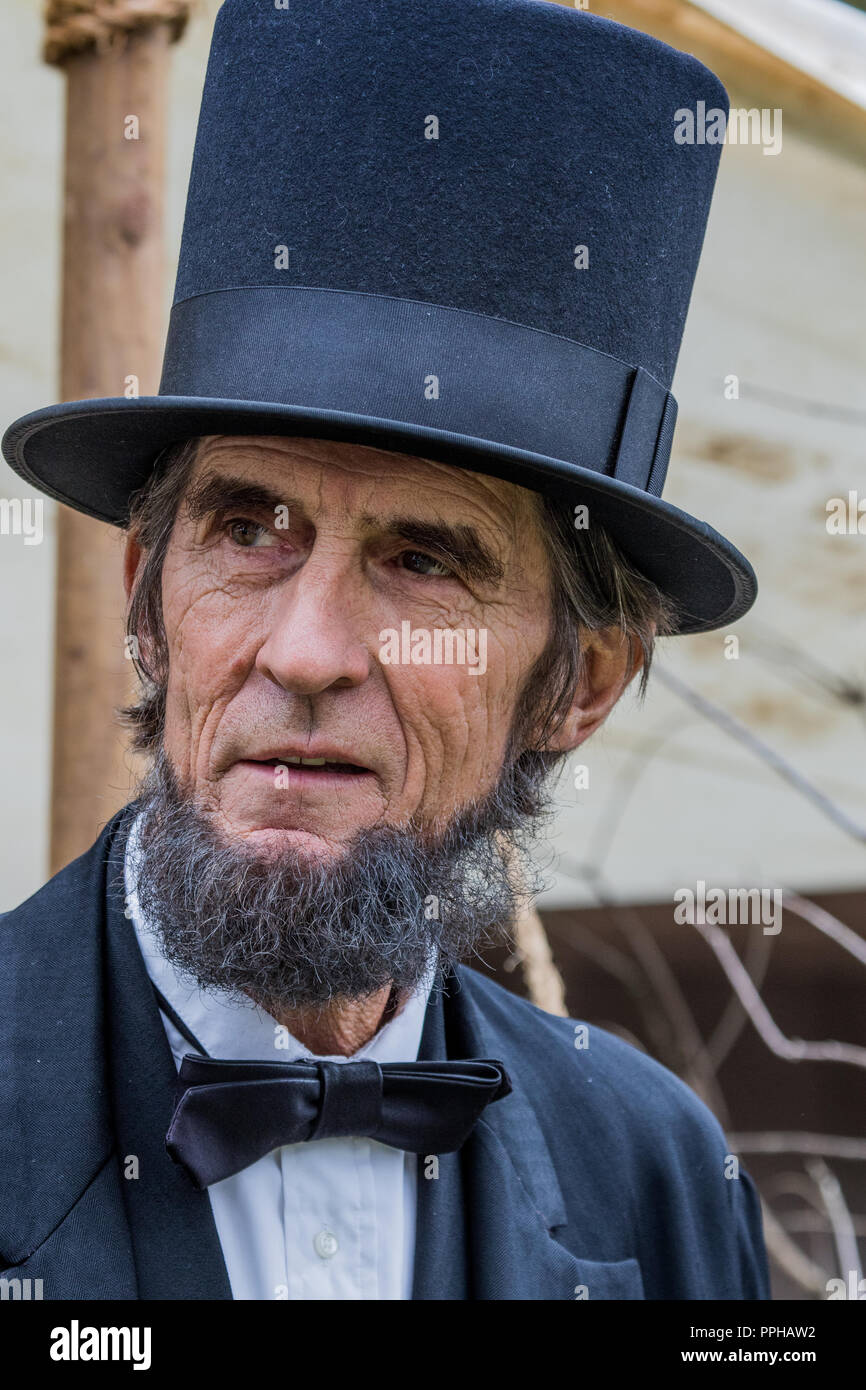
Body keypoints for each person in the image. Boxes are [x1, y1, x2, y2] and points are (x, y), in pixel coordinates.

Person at [0, 0, 768, 1299]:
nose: (304, 651)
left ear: (576, 685)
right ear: (144, 600)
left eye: (424, 559)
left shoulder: (660, 1176)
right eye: (248, 529)